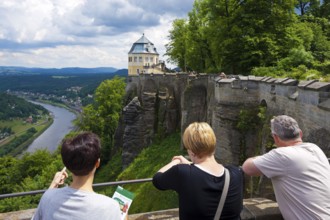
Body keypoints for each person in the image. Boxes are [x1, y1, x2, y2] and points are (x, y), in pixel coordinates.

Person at [242, 115, 330, 220]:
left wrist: (264, 158)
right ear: (300, 134)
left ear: (275, 137)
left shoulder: (282, 155)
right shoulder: (315, 148)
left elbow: (247, 167)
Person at [152, 122, 243, 220]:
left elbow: (157, 179)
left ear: (191, 151)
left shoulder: (182, 173)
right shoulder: (235, 173)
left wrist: (176, 161)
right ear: (214, 145)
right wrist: (190, 165)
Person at [33, 132, 121, 220]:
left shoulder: (48, 198)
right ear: (97, 163)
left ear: (67, 165)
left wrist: (53, 184)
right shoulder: (110, 207)